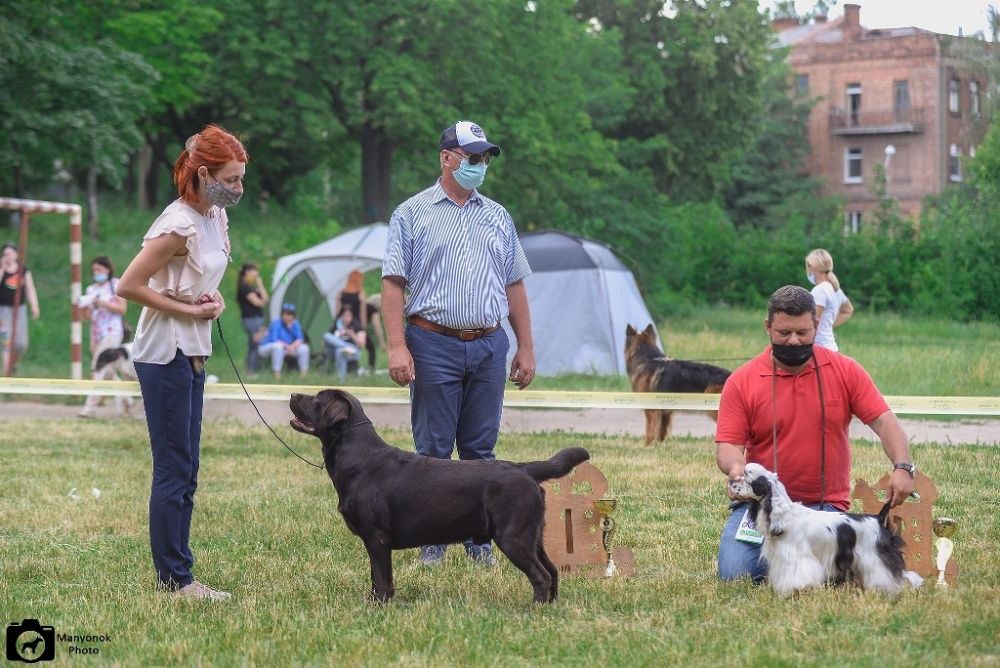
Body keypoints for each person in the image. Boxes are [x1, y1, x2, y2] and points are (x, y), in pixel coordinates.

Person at [382, 119, 536, 567]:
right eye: (473, 156)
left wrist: (525, 347)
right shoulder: (411, 213)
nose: (480, 165)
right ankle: (431, 540)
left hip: (489, 344)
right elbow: (392, 284)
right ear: (447, 158)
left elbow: (514, 285)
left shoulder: (498, 216)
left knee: (480, 451)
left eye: (485, 158)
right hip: (432, 341)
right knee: (432, 452)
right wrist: (396, 346)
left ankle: (479, 540)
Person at [116, 124, 247, 600]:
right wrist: (189, 310)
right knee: (174, 469)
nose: (238, 188)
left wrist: (210, 299)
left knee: (187, 468)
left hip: (194, 349)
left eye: (241, 178)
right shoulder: (178, 224)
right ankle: (175, 580)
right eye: (231, 179)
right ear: (205, 174)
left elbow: (198, 278)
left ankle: (178, 572)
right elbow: (128, 286)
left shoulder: (214, 217)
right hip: (165, 351)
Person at [714, 285, 915, 583]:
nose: (794, 341)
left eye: (802, 332)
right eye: (784, 333)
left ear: (817, 325)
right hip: (765, 506)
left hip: (825, 507)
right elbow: (728, 446)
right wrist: (736, 470)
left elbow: (885, 422)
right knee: (736, 574)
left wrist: (902, 466)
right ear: (768, 327)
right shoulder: (741, 380)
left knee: (828, 577)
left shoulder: (846, 370)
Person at [78, 256, 128, 418]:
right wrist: (84, 307)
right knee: (109, 370)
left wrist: (102, 303)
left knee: (97, 369)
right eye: (94, 270)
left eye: (99, 269)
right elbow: (86, 317)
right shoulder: (91, 290)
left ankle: (89, 408)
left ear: (108, 269)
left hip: (112, 333)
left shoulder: (116, 285)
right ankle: (127, 399)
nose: (96, 273)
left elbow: (122, 309)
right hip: (96, 334)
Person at [0, 243, 41, 374]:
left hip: (19, 310)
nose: (8, 256)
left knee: (21, 344)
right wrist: (2, 268)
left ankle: (13, 364)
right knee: (6, 343)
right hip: (3, 311)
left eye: (10, 253)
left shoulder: (23, 270)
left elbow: (30, 289)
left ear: (16, 255)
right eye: (5, 254)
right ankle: (7, 376)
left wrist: (34, 306)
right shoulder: (1, 269)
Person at [805, 248, 854, 352]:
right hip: (830, 346)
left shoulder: (820, 290)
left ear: (811, 267)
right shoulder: (835, 289)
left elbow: (811, 322)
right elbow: (848, 310)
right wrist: (827, 326)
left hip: (819, 347)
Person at [258, 303, 310, 380]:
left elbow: (300, 339)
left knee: (304, 348)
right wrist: (288, 347)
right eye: (286, 314)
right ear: (282, 314)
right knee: (278, 347)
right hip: (267, 347)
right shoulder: (276, 323)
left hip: (287, 348)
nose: (288, 317)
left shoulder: (295, 324)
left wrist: (292, 347)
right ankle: (276, 374)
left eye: (290, 314)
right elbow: (274, 339)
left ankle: (303, 375)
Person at [236, 262, 268, 375]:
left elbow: (265, 299)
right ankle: (251, 370)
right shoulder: (244, 287)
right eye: (254, 271)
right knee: (255, 343)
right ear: (247, 272)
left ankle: (251, 369)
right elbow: (259, 303)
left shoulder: (251, 287)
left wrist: (260, 285)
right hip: (251, 319)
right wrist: (260, 290)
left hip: (256, 319)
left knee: (253, 344)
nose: (256, 274)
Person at [322, 307, 365, 379]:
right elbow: (328, 339)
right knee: (326, 335)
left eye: (348, 316)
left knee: (340, 351)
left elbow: (361, 345)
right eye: (344, 315)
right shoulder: (337, 325)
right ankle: (345, 346)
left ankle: (341, 379)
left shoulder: (357, 326)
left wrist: (352, 335)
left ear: (352, 317)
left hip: (354, 352)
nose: (346, 318)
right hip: (335, 350)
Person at [364, 293, 386, 373]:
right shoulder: (373, 309)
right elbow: (377, 326)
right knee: (371, 348)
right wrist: (382, 343)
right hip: (356, 330)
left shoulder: (364, 306)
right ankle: (372, 370)